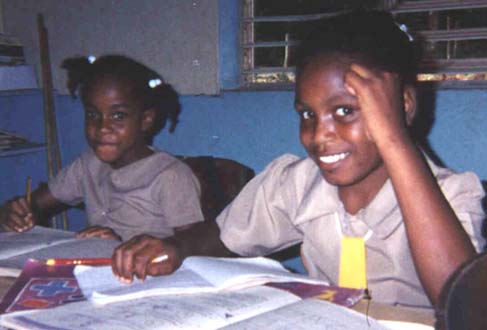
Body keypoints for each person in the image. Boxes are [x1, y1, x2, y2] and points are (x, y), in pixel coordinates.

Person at [110, 11, 485, 309]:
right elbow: (225, 237)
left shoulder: (452, 197)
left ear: (400, 107)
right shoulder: (296, 183)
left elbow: (459, 298)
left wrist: (395, 140)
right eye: (307, 114)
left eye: (344, 111)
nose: (319, 136)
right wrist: (175, 247)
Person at [0, 55, 204, 241]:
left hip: (152, 278)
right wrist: (14, 212)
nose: (102, 127)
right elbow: (35, 203)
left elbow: (193, 245)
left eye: (118, 115)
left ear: (145, 119)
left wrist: (122, 244)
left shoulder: (170, 176)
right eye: (93, 115)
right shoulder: (89, 164)